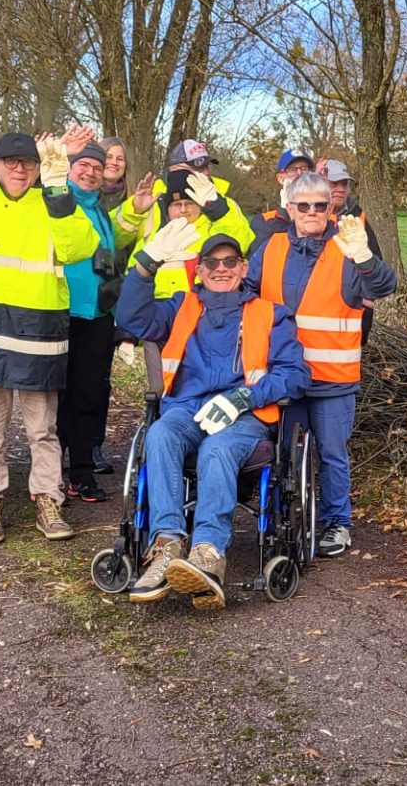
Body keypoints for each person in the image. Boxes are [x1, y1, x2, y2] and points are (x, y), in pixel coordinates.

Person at [115, 227, 310, 609]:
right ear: (199, 271)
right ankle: (167, 544)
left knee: (218, 449)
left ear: (242, 269)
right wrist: (145, 265)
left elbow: (296, 374)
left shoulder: (271, 314)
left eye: (230, 262)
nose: (221, 268)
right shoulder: (179, 307)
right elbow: (131, 318)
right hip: (187, 410)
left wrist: (244, 396)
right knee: (159, 435)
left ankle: (207, 553)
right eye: (212, 263)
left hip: (245, 416)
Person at [0, 132, 101, 544]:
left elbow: (81, 248)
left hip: (38, 332)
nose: (20, 168)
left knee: (42, 430)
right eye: (11, 161)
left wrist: (57, 191)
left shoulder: (54, 201)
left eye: (28, 162)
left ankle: (48, 500)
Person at [246, 171, 397, 558]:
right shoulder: (272, 248)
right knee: (282, 452)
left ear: (331, 208)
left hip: (333, 378)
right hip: (284, 378)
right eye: (304, 205)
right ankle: (284, 518)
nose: (312, 211)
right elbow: (245, 296)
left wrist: (363, 256)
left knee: (332, 453)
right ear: (290, 208)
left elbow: (383, 288)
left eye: (320, 205)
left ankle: (337, 524)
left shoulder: (346, 249)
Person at [57, 129, 137, 499]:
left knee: (89, 393)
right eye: (83, 165)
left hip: (97, 316)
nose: (89, 172)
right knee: (58, 393)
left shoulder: (102, 213)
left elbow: (108, 265)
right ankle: (53, 468)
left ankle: (82, 470)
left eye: (96, 167)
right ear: (70, 168)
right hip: (60, 310)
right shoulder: (55, 199)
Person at [114, 161, 254, 300]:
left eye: (189, 204)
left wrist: (219, 209)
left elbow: (240, 241)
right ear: (167, 208)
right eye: (176, 204)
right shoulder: (154, 235)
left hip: (199, 305)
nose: (183, 210)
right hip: (156, 309)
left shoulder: (214, 228)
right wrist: (134, 210)